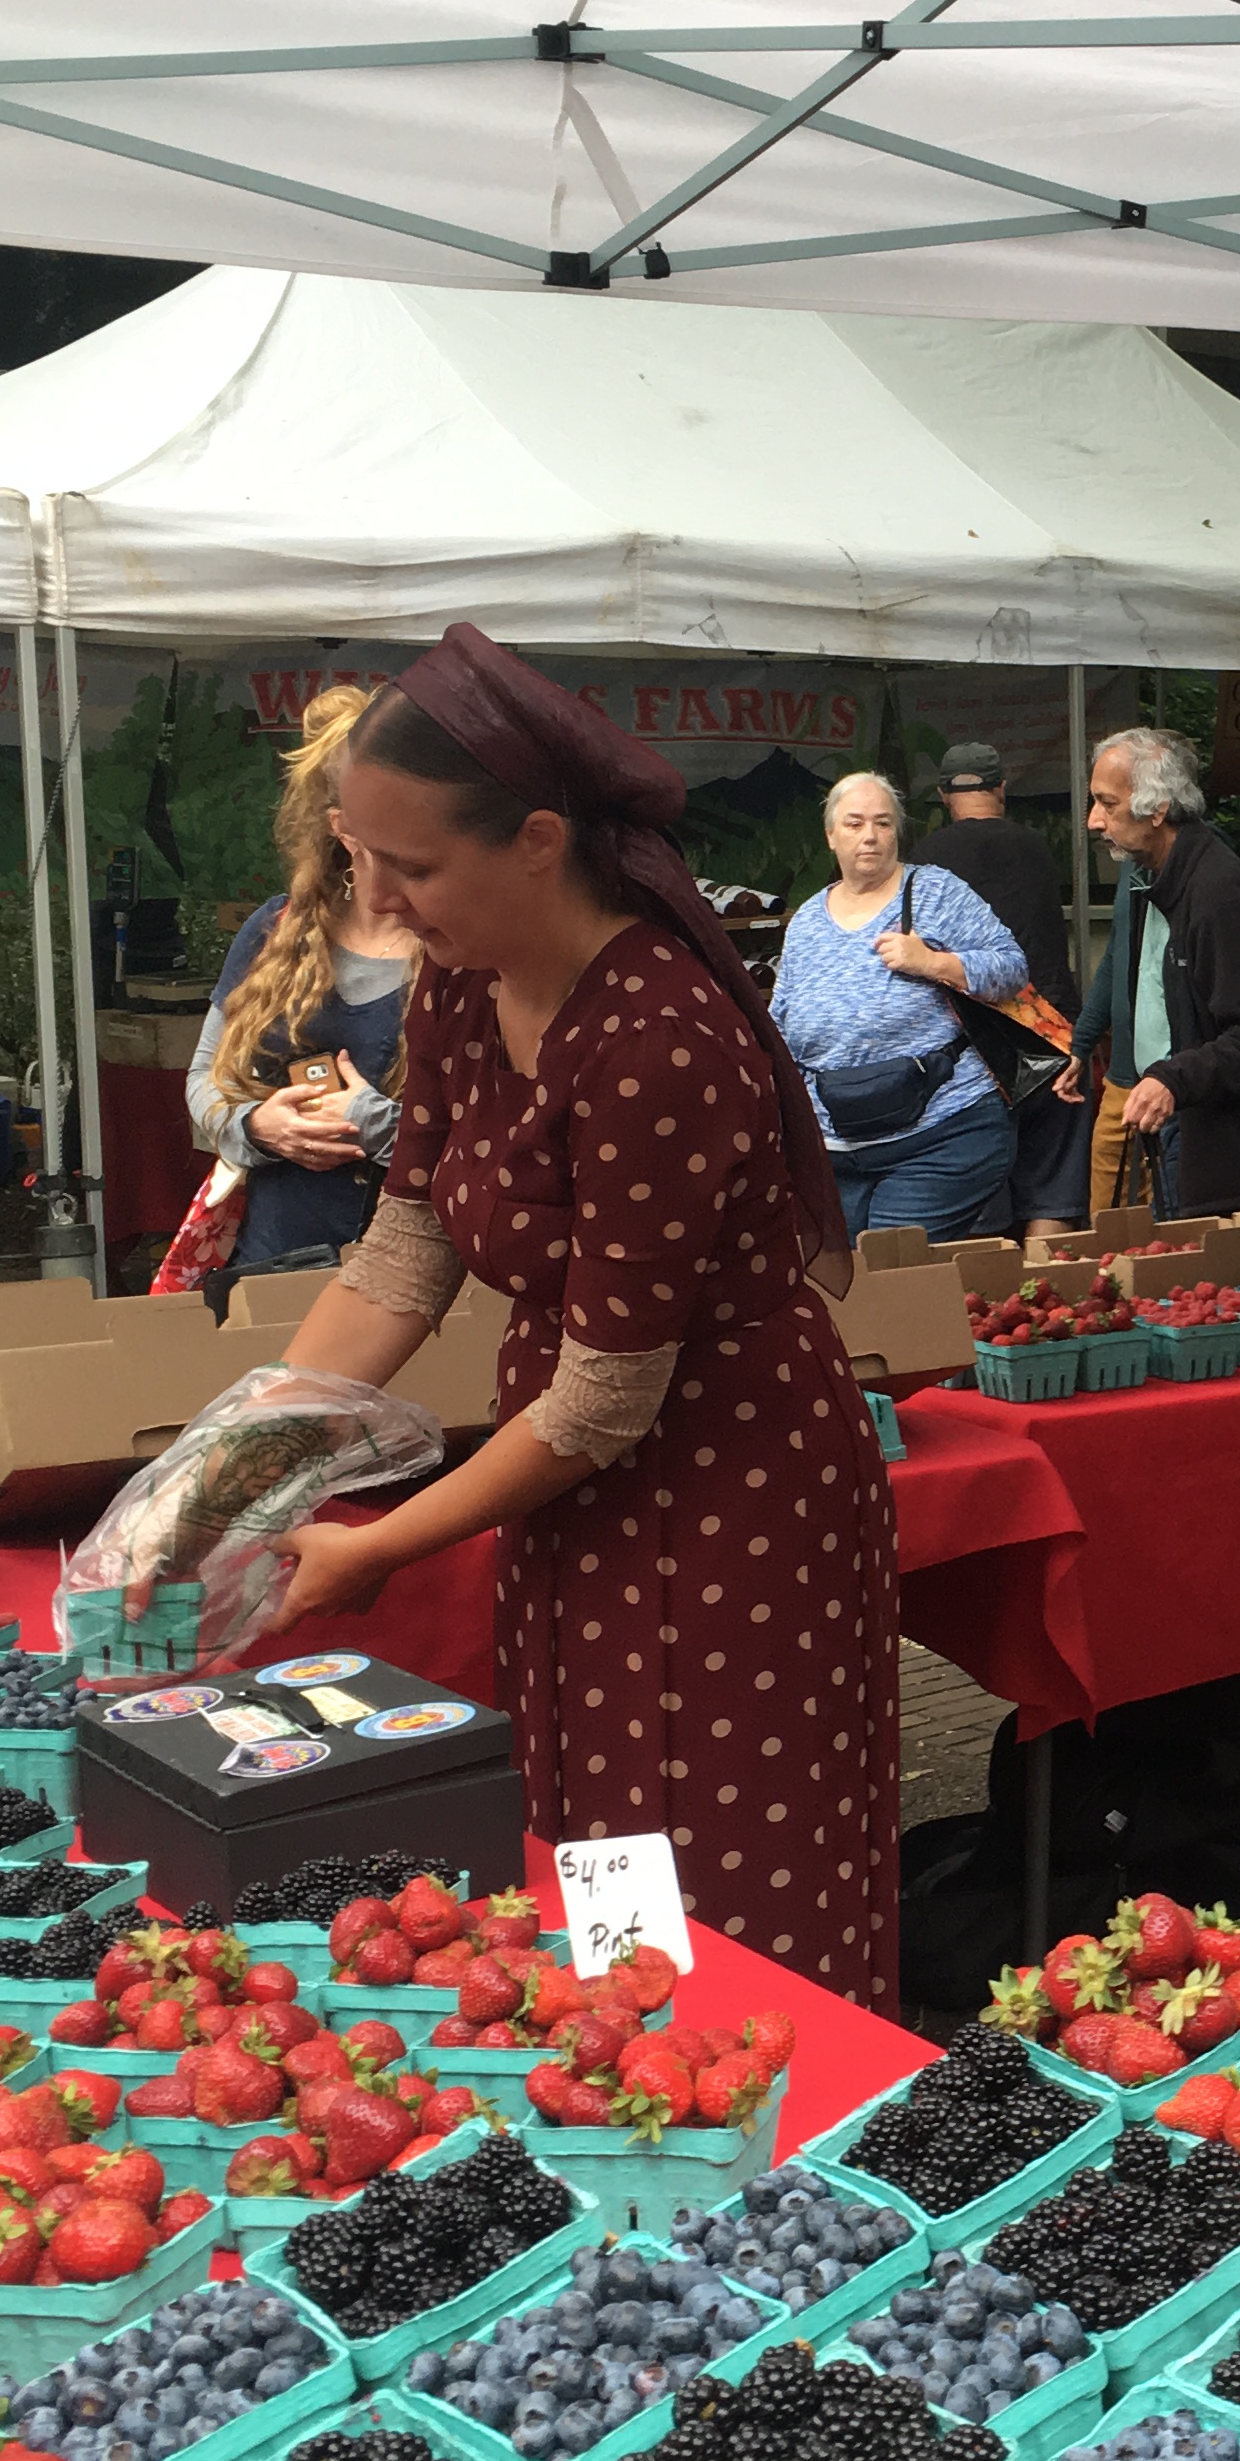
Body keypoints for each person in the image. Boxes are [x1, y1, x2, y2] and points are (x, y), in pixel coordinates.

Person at [258, 627, 896, 1988]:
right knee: (596, 1826)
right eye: (360, 856)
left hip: (731, 1488)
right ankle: (616, 2069)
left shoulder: (658, 1038)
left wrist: (376, 1546)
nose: (378, 899)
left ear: (539, 842)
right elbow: (406, 1249)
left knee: (724, 1858)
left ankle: (767, 2093)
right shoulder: (462, 982)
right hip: (560, 1473)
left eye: (411, 865)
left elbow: (609, 1396)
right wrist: (234, 1464)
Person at [185, 685, 420, 1305]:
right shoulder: (276, 927)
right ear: (340, 825)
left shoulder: (461, 947)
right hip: (270, 1271)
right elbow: (205, 1080)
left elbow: (499, 1147)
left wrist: (380, 1128)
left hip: (407, 1285)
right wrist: (258, 1126)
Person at [769, 770, 1028, 1242]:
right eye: (854, 823)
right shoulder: (806, 921)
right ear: (830, 836)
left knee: (891, 1263)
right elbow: (780, 1022)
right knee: (844, 1277)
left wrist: (934, 962)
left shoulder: (936, 892)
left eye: (883, 823)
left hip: (939, 1133)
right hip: (835, 1148)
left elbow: (1011, 968)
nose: (869, 836)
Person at [1059, 729, 1240, 1213]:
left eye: (1107, 803)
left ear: (1157, 809)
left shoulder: (1219, 892)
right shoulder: (1151, 875)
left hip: (1221, 1139)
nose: (1093, 820)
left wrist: (1172, 1080)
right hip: (1180, 1119)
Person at [917, 738, 1089, 1255]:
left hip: (977, 1046)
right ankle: (1046, 1293)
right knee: (1052, 1192)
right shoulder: (1036, 847)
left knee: (980, 1204)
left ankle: (988, 1302)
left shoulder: (925, 862)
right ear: (1002, 789)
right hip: (1053, 1031)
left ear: (944, 795)